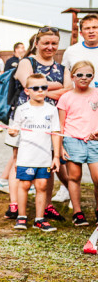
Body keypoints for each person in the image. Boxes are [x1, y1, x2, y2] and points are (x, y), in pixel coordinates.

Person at [14, 27, 72, 216]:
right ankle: (16, 205)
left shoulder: (63, 68)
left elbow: (69, 92)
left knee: (49, 162)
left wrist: (42, 87)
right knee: (20, 160)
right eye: (45, 42)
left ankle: (47, 205)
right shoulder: (26, 62)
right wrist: (57, 87)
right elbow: (27, 85)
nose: (50, 46)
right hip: (28, 120)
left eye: (54, 43)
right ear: (36, 43)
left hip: (51, 121)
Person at [8, 73, 61, 232]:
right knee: (24, 185)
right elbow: (14, 131)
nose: (40, 91)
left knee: (42, 185)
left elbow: (56, 134)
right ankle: (21, 217)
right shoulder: (22, 109)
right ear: (27, 91)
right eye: (36, 88)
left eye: (44, 87)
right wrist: (13, 132)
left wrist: (56, 156)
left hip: (44, 157)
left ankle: (39, 219)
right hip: (26, 157)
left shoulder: (52, 110)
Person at [56, 61, 98, 226]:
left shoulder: (96, 94)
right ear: (73, 76)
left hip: (94, 141)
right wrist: (60, 146)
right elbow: (60, 125)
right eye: (80, 75)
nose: (84, 78)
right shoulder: (66, 97)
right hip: (73, 140)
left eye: (88, 75)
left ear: (93, 77)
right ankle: (77, 212)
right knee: (74, 177)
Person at [0, 41, 31, 193]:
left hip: (26, 110)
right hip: (19, 109)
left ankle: (3, 180)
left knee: (21, 152)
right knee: (18, 153)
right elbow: (28, 85)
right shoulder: (21, 63)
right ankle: (9, 186)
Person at [62, 13, 98, 88]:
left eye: (95, 27)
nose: (91, 31)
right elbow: (64, 76)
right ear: (81, 33)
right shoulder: (71, 51)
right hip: (78, 97)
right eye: (87, 28)